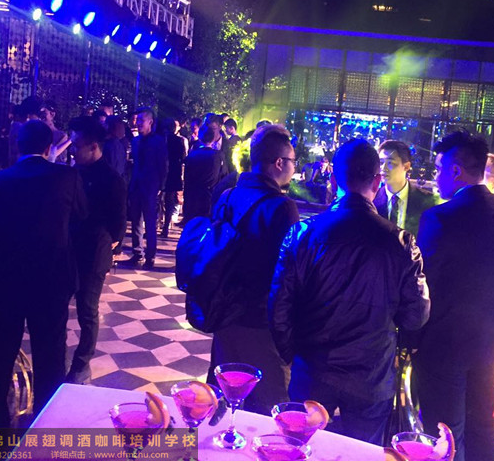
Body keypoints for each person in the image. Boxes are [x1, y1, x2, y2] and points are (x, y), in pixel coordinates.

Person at [270, 139, 430, 445]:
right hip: (372, 374)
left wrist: (292, 355)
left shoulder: (303, 233)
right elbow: (416, 315)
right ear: (377, 181)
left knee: (302, 447)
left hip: (314, 367)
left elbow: (278, 307)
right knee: (362, 451)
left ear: (333, 180)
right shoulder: (400, 242)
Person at [413, 131, 494, 461]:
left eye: (439, 169)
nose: (435, 176)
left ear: (456, 171)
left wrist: (410, 335)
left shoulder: (439, 217)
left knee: (443, 430)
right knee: (482, 422)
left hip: (446, 338)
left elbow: (425, 281)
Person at [0, 120, 88, 427]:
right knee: (50, 355)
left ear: (18, 146)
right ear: (49, 148)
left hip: (5, 281)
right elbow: (82, 216)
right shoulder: (66, 177)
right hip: (51, 281)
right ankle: (46, 422)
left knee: (0, 351)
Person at [208, 124, 300, 414]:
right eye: (293, 161)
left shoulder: (227, 195)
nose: (295, 168)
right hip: (259, 322)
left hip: (223, 313)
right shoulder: (282, 207)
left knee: (225, 399)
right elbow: (287, 272)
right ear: (279, 163)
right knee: (271, 405)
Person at [66, 117, 127, 384]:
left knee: (87, 309)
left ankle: (81, 363)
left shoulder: (111, 179)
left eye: (76, 145)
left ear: (93, 147)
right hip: (68, 249)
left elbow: (118, 223)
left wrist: (109, 245)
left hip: (94, 251)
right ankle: (57, 358)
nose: (72, 150)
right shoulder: (73, 173)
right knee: (59, 304)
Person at [127, 107, 167, 269]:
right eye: (137, 120)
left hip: (151, 186)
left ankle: (150, 256)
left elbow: (163, 164)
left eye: (141, 120)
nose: (138, 123)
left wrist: (161, 185)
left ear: (150, 122)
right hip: (136, 184)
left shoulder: (158, 141)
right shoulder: (135, 141)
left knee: (150, 222)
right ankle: (137, 253)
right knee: (135, 220)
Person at [373, 140, 438, 236]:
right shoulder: (372, 201)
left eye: (390, 163)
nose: (383, 168)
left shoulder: (427, 201)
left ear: (406, 166)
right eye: (381, 162)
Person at [182, 125, 226, 222]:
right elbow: (223, 174)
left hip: (194, 195)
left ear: (200, 138)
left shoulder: (192, 155)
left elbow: (187, 178)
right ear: (213, 139)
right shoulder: (219, 155)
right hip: (210, 195)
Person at [163, 119, 187, 236]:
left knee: (157, 200)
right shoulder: (179, 141)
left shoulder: (161, 140)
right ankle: (166, 226)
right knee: (170, 201)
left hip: (162, 172)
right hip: (173, 172)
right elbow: (183, 157)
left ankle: (155, 225)